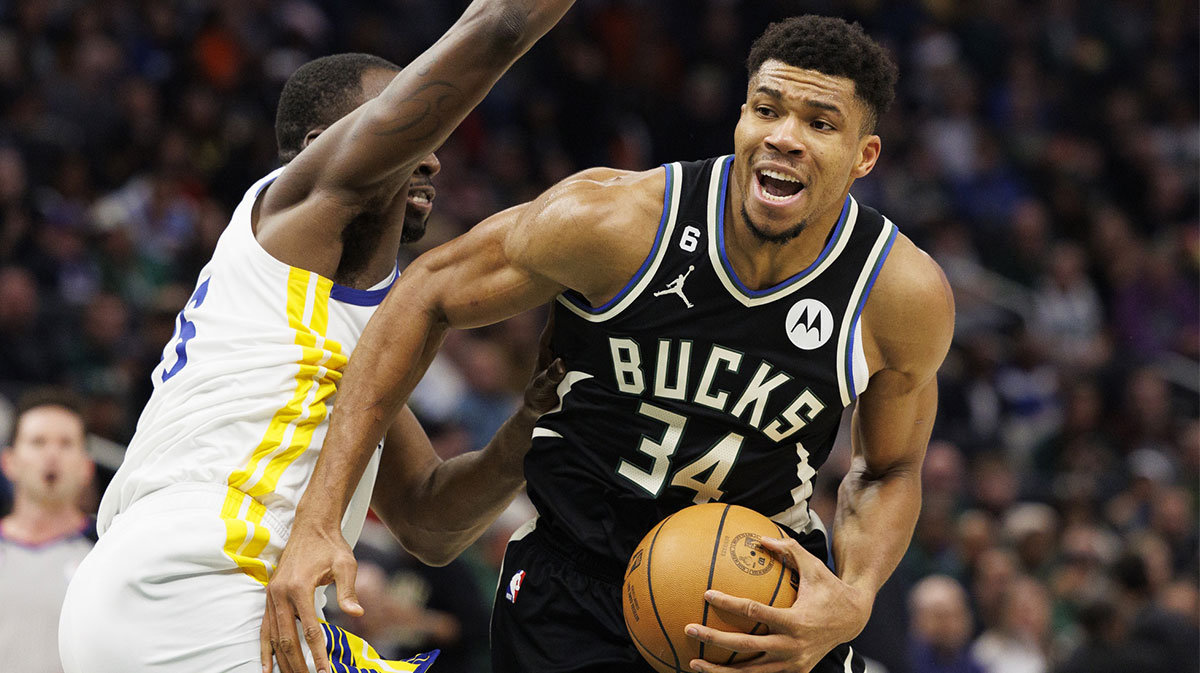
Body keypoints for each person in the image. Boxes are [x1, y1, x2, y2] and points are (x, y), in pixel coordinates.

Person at [271, 14, 954, 673]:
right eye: (767, 109)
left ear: (866, 155)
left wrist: (856, 594)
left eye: (819, 122)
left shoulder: (898, 293)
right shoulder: (620, 224)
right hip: (575, 586)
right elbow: (426, 294)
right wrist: (320, 520)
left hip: (762, 594)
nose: (784, 137)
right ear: (740, 117)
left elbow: (889, 468)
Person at [57, 1, 575, 672]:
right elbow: (499, 27)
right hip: (205, 576)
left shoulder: (347, 326)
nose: (434, 156)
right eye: (405, 123)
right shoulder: (287, 216)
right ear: (319, 147)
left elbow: (428, 519)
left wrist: (531, 420)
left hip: (150, 595)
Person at [0, 388, 95, 673]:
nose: (52, 454)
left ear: (86, 467)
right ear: (9, 462)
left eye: (66, 443)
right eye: (38, 442)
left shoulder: (107, 553)